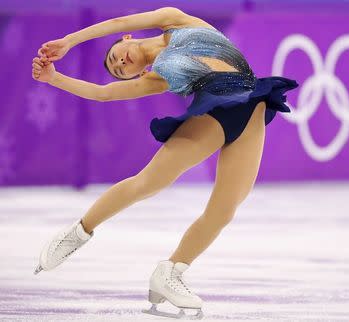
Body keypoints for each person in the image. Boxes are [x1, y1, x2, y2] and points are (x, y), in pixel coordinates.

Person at [31, 6, 298, 319]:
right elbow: (104, 94)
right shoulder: (156, 78)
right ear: (135, 76)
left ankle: (171, 271)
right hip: (214, 116)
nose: (120, 62)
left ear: (126, 39)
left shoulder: (175, 19)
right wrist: (54, 78)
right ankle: (77, 233)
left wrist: (69, 41)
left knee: (225, 210)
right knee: (149, 183)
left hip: (252, 108)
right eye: (119, 69)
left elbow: (117, 20)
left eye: (117, 55)